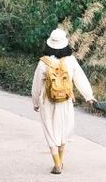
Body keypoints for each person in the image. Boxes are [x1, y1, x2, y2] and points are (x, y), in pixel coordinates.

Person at [31, 28, 95, 174]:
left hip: (48, 101)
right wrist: (88, 96)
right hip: (65, 100)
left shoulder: (43, 63)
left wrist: (35, 102)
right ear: (65, 44)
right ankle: (61, 161)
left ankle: (57, 164)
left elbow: (36, 86)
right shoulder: (70, 61)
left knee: (50, 131)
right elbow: (80, 78)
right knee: (63, 130)